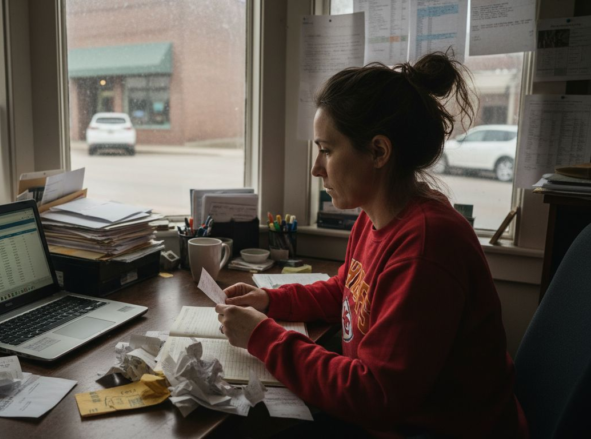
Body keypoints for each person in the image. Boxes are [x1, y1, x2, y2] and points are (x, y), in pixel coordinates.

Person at [216, 51, 529, 438]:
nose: (317, 168)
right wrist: (271, 302)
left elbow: (375, 394)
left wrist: (263, 337)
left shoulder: (426, 248)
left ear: (379, 152)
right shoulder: (377, 215)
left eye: (327, 150)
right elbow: (347, 292)